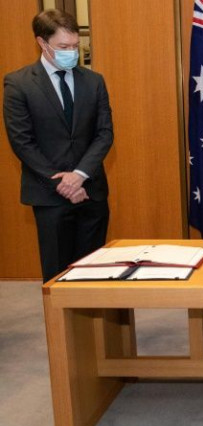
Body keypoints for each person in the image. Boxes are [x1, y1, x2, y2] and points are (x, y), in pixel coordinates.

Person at [4, 9, 113, 282]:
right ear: (42, 43)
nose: (72, 52)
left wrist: (79, 176)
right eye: (63, 47)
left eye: (76, 46)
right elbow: (22, 141)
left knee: (95, 274)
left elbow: (104, 134)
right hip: (49, 195)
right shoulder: (18, 84)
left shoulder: (94, 81)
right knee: (57, 275)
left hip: (91, 192)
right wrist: (62, 183)